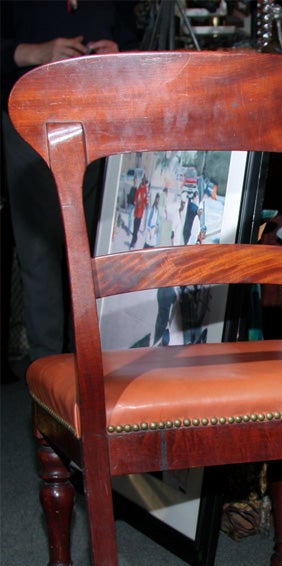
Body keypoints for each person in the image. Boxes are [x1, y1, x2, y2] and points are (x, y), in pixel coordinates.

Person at [1, 1, 139, 362]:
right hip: (30, 115)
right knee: (40, 251)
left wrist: (118, 51)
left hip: (98, 114)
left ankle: (95, 363)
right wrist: (35, 52)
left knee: (99, 244)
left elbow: (129, 30)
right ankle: (47, 370)